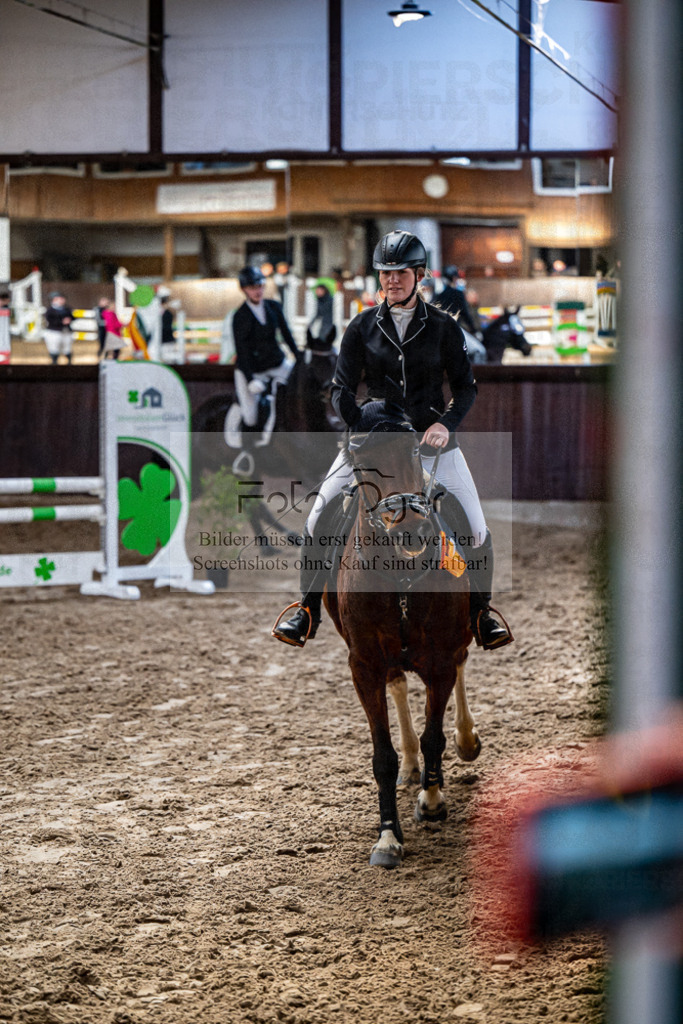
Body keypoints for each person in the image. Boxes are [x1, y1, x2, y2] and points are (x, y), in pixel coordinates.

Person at [272, 230, 513, 652]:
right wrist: (359, 424)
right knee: (316, 519)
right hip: (373, 442)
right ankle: (306, 609)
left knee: (475, 529)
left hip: (431, 443)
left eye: (400, 273)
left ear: (419, 274)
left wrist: (446, 424)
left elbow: (466, 388)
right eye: (385, 273)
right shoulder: (361, 326)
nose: (391, 281)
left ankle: (481, 612)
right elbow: (340, 390)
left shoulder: (442, 327)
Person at [220, 266, 301, 434]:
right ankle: (247, 446)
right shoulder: (240, 316)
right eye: (252, 288)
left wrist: (298, 357)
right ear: (244, 290)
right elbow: (241, 350)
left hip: (276, 362)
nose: (257, 291)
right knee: (251, 417)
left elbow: (286, 334)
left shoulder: (274, 307)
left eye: (260, 286)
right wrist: (250, 380)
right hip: (252, 369)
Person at [437, 266, 481, 337]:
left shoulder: (439, 295)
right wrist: (474, 330)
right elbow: (464, 313)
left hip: (441, 332)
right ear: (454, 278)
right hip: (454, 330)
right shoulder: (458, 294)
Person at [43, 291, 73, 365]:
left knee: (67, 348)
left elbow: (72, 317)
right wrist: (61, 322)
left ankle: (69, 362)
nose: (62, 300)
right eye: (60, 299)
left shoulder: (67, 309)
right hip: (54, 331)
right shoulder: (50, 310)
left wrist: (69, 319)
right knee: (54, 348)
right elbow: (50, 320)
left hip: (66, 331)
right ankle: (54, 362)